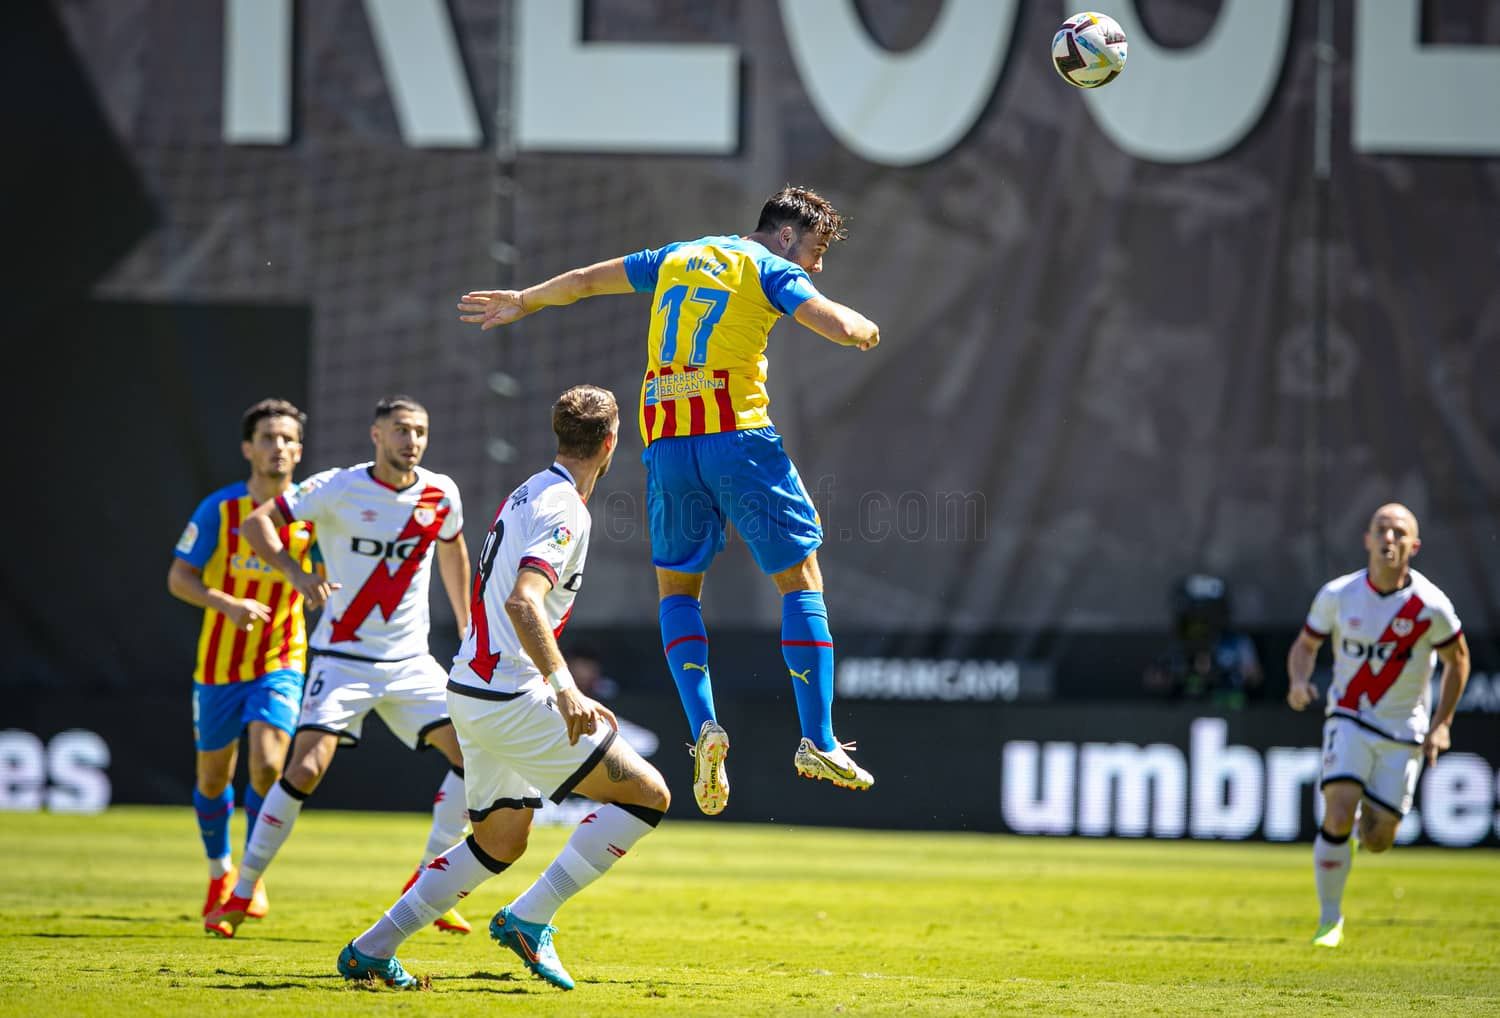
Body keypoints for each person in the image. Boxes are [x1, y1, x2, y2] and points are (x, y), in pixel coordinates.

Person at [457, 186, 880, 816]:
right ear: (788, 235)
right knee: (800, 581)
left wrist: (523, 299)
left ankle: (704, 728)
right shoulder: (771, 267)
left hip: (668, 449)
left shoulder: (676, 257)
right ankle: (817, 739)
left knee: (679, 595)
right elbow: (840, 325)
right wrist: (865, 329)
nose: (815, 267)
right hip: (738, 441)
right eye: (816, 250)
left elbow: (581, 280)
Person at [337, 385, 670, 992]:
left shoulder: (529, 490)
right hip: (510, 694)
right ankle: (529, 918)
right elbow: (524, 601)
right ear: (612, 442)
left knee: (500, 838)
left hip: (472, 688)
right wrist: (565, 686)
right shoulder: (564, 505)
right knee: (647, 796)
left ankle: (372, 948)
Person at [203, 396, 475, 939]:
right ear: (376, 435)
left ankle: (429, 883)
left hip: (410, 662)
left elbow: (453, 550)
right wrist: (294, 573)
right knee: (303, 771)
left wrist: (467, 628)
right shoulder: (337, 486)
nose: (411, 441)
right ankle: (242, 888)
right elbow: (258, 525)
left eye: (419, 431)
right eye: (400, 430)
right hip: (342, 660)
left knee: (476, 758)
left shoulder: (440, 493)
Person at [1286, 502, 1470, 948]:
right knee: (1338, 809)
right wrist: (1297, 680)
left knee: (1380, 838)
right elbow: (1306, 645)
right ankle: (1330, 920)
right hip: (1349, 718)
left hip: (1403, 732)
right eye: (1381, 531)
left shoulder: (1431, 606)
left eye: (1399, 532)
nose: (1389, 538)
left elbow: (1457, 660)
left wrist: (1442, 723)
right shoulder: (1338, 595)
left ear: (1414, 545)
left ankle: (1357, 839)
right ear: (1367, 539)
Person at [168, 398, 315, 922]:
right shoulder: (220, 509)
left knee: (270, 764)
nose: (279, 447)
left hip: (282, 657)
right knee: (213, 779)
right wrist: (225, 603)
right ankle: (219, 871)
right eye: (269, 438)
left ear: (299, 450)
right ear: (248, 449)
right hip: (218, 666)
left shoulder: (314, 511)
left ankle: (250, 880)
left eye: (287, 439)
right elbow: (179, 577)